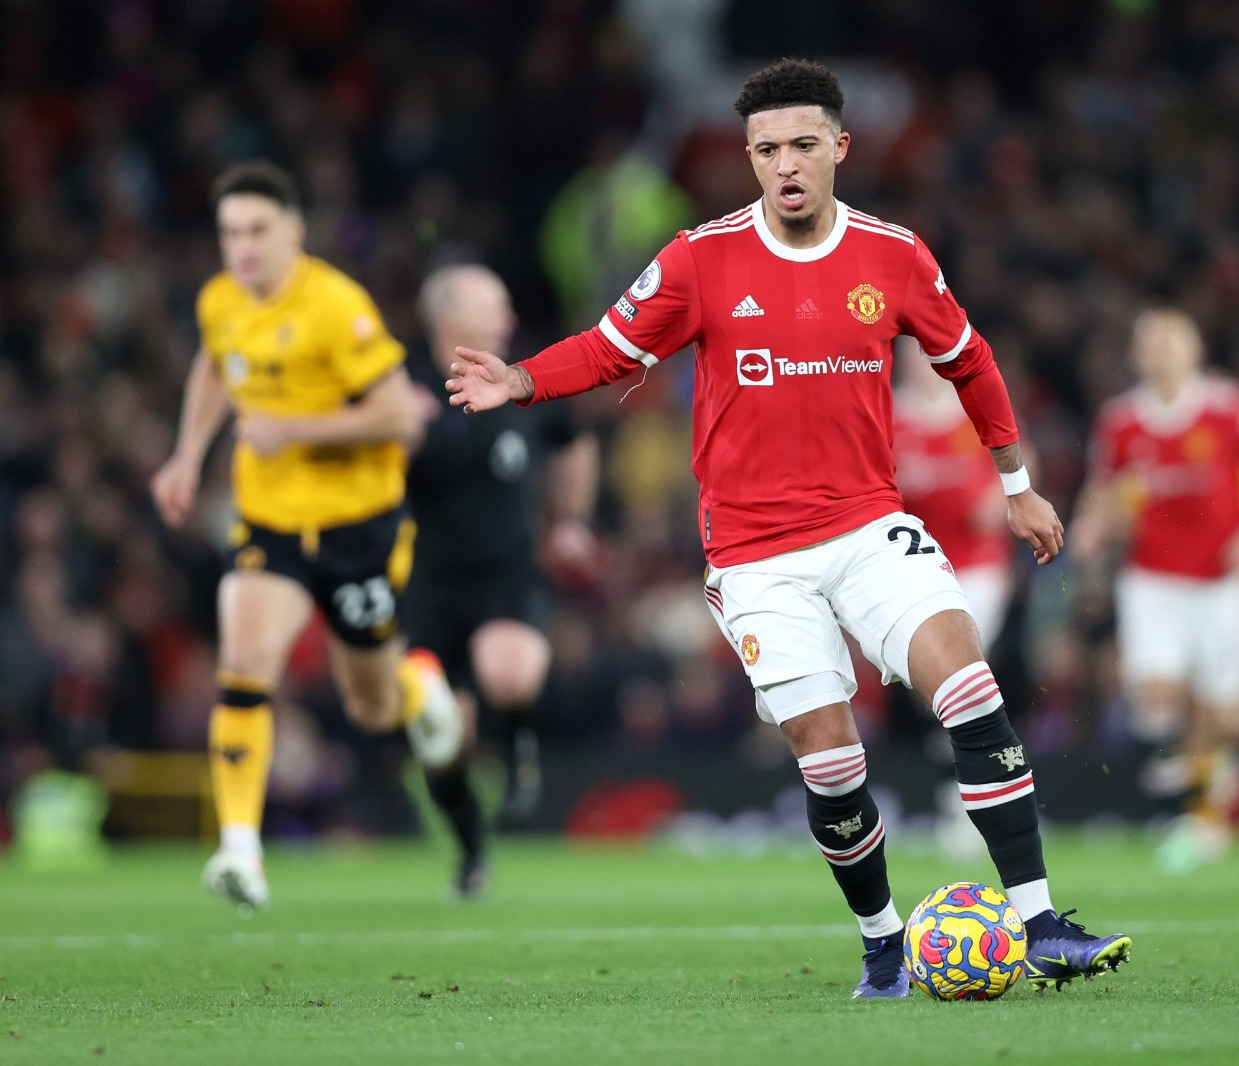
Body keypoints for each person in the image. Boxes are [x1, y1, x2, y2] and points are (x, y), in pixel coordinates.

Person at [446, 59, 1131, 998]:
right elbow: (611, 349)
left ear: (840, 147)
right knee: (832, 759)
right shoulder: (699, 259)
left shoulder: (894, 254)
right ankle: (884, 944)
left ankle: (1041, 923)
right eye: (767, 150)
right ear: (749, 158)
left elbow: (968, 361)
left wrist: (1017, 485)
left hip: (868, 526)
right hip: (756, 557)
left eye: (804, 145)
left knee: (971, 689)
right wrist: (522, 379)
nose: (786, 165)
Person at [149, 161, 471, 909]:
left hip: (359, 526)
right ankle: (240, 850)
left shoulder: (335, 305)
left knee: (373, 706)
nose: (243, 247)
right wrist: (187, 455)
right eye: (230, 232)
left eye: (257, 229)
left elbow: (400, 416)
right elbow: (214, 365)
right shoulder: (221, 300)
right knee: (244, 664)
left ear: (293, 230)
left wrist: (291, 429)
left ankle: (419, 688)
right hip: (271, 523)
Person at [1068, 308, 1239, 871]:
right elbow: (1103, 490)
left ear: (1195, 350)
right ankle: (1180, 814)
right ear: (1136, 355)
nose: (1162, 352)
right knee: (1156, 693)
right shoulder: (1121, 421)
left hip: (1224, 583)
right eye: (1151, 343)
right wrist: (1090, 528)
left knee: (1225, 716)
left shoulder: (1229, 408)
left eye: (1172, 341)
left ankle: (1203, 803)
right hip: (1152, 580)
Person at [408, 264, 600, 838]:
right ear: (449, 318)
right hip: (428, 582)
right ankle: (469, 844)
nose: (508, 319)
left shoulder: (520, 378)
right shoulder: (403, 386)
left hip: (506, 572)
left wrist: (571, 520)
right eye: (494, 306)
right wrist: (394, 430)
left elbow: (574, 441)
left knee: (508, 674)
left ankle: (517, 743)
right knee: (446, 739)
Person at [893, 338, 1015, 651]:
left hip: (977, 558)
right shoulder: (887, 417)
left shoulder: (976, 406)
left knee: (959, 651)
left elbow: (1020, 458)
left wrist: (1001, 497)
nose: (920, 365)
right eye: (912, 356)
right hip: (913, 565)